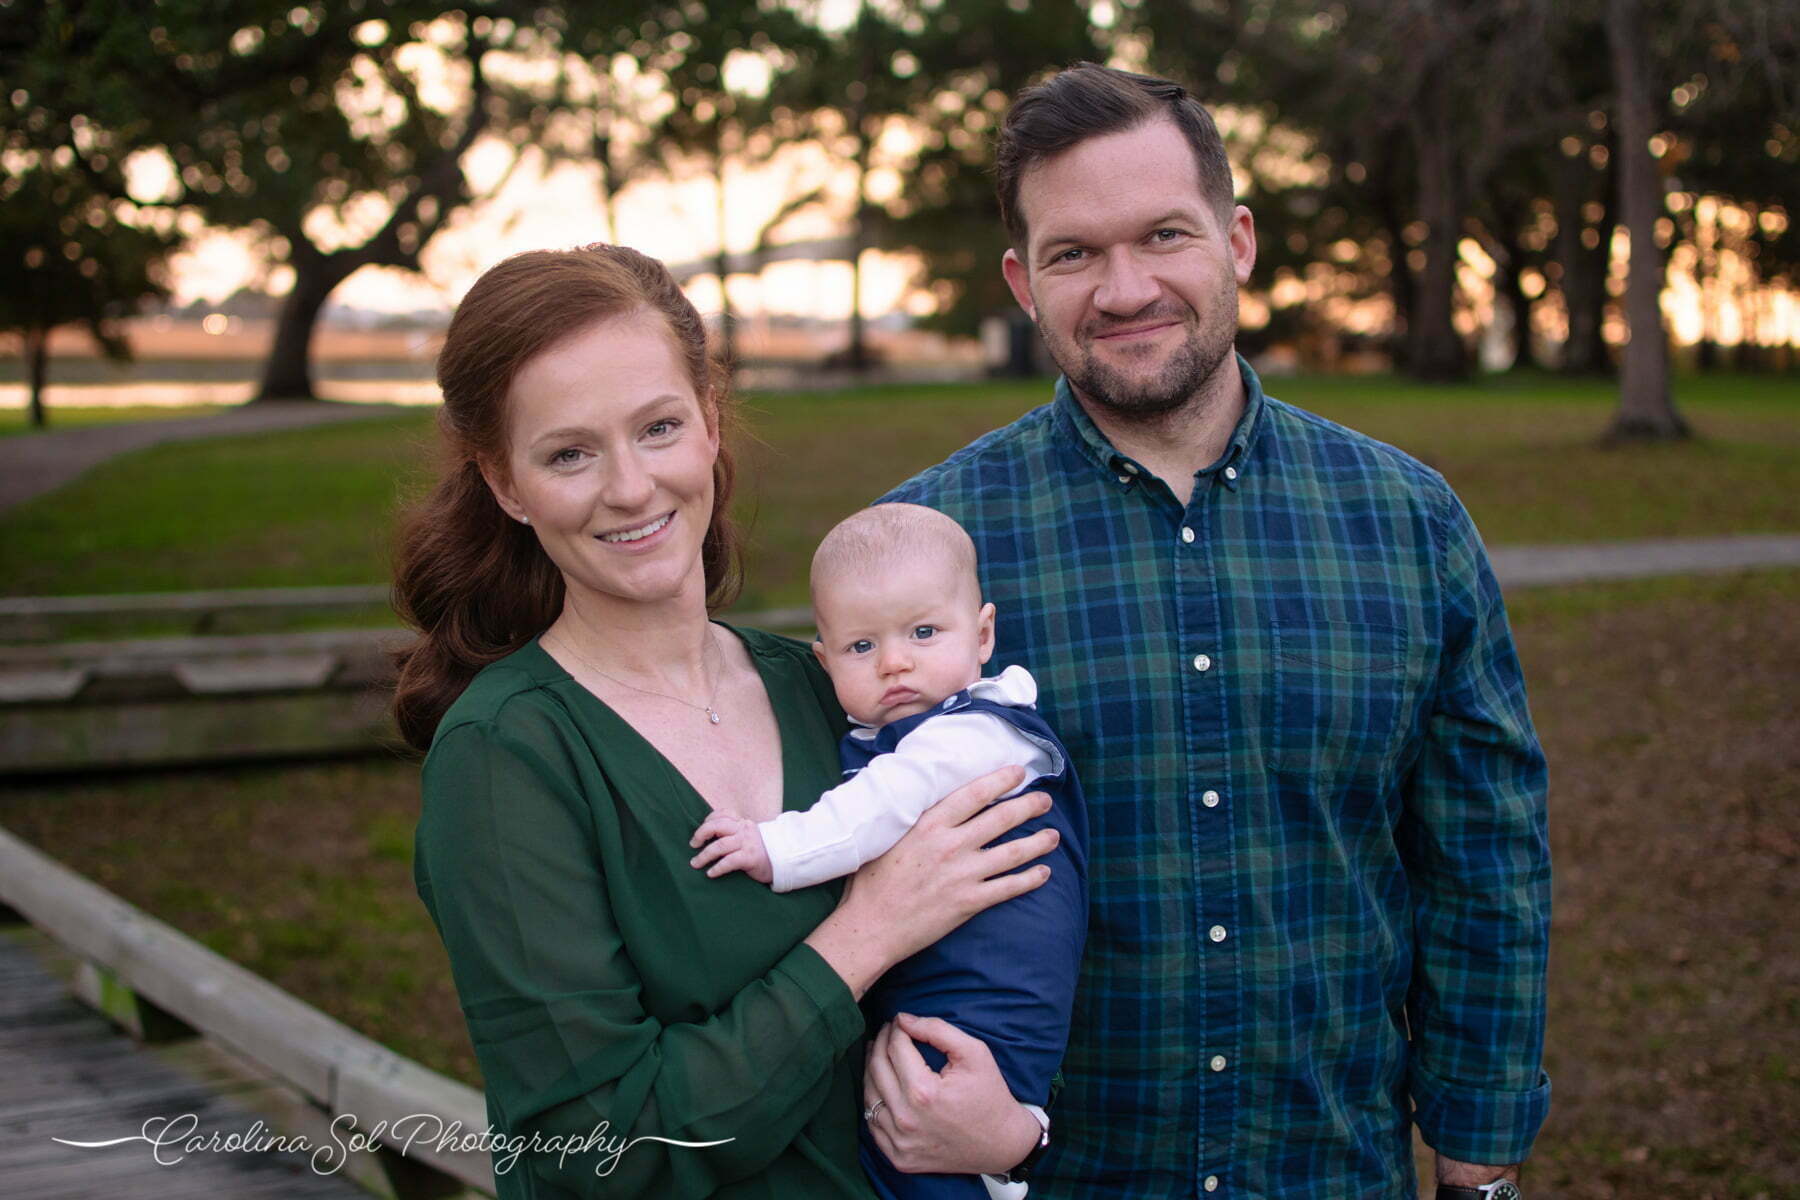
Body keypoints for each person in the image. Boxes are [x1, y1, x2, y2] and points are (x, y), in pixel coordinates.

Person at [874, 64, 1551, 1199]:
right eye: (1074, 253)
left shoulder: (1408, 521)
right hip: (1054, 1176)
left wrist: (1479, 1163)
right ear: (1021, 282)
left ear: (1236, 241)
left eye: (1164, 236)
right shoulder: (929, 548)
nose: (1125, 287)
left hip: (1330, 1168)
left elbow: (1484, 858)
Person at [394, 243, 1061, 1199]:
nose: (630, 487)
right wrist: (865, 933)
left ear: (710, 423)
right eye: (570, 453)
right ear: (505, 484)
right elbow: (598, 1156)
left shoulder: (829, 691)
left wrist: (1012, 1139)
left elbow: (994, 982)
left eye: (659, 427)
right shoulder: (508, 758)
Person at [688, 503, 1089, 1200]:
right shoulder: (913, 729)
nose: (896, 662)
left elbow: (871, 813)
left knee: (915, 1149)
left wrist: (772, 847)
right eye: (861, 648)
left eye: (924, 632)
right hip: (955, 1006)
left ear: (983, 633)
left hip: (981, 1007)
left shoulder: (974, 735)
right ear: (823, 659)